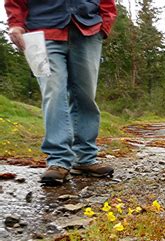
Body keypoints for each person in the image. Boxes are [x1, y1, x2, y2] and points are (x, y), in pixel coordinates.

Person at [5, 0, 117, 185]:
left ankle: (85, 158)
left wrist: (105, 25)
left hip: (87, 30)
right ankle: (58, 160)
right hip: (41, 33)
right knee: (53, 91)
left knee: (85, 96)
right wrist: (16, 24)